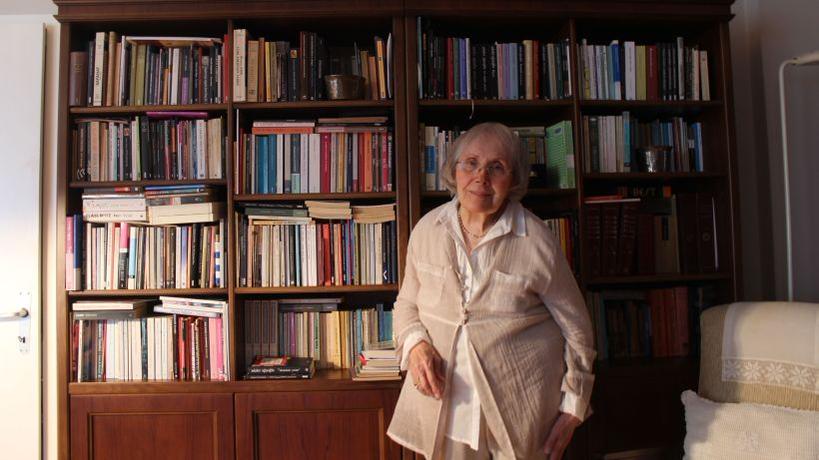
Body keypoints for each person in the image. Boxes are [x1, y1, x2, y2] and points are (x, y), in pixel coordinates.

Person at [386, 122, 595, 460]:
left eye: (496, 167)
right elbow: (406, 303)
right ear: (454, 170)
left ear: (514, 180)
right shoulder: (427, 229)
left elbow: (578, 329)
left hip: (521, 414)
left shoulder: (538, 241)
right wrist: (415, 346)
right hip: (446, 408)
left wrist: (574, 405)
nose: (480, 177)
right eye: (470, 163)